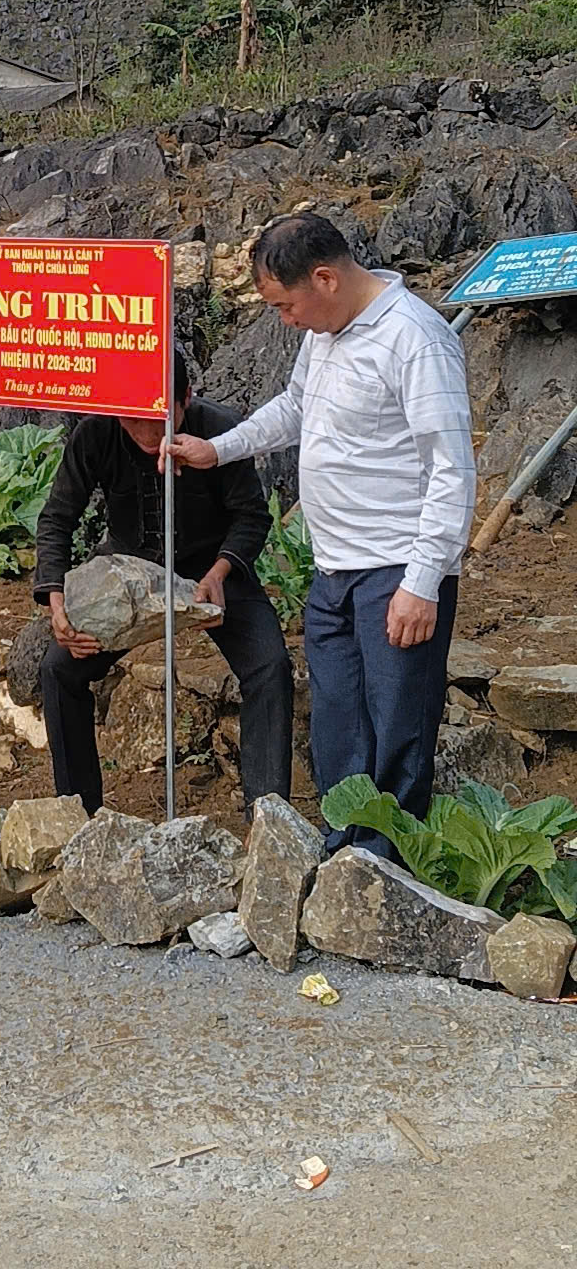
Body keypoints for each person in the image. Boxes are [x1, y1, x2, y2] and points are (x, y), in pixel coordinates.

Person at [163, 213, 476, 849]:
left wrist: (423, 583)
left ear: (326, 278)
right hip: (334, 569)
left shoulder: (416, 339)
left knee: (397, 727)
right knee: (338, 723)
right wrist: (217, 449)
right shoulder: (326, 332)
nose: (286, 320)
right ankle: (342, 853)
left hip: (397, 569)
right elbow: (296, 407)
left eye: (285, 305)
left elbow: (452, 469)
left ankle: (388, 869)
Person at [35, 348, 293, 820]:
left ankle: (270, 818)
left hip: (210, 568)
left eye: (160, 419)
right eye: (133, 423)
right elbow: (57, 518)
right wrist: (56, 598)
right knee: (59, 668)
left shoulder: (219, 428)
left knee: (270, 666)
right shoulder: (96, 433)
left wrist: (222, 571)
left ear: (186, 399)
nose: (151, 436)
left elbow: (251, 516)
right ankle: (78, 813)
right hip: (128, 572)